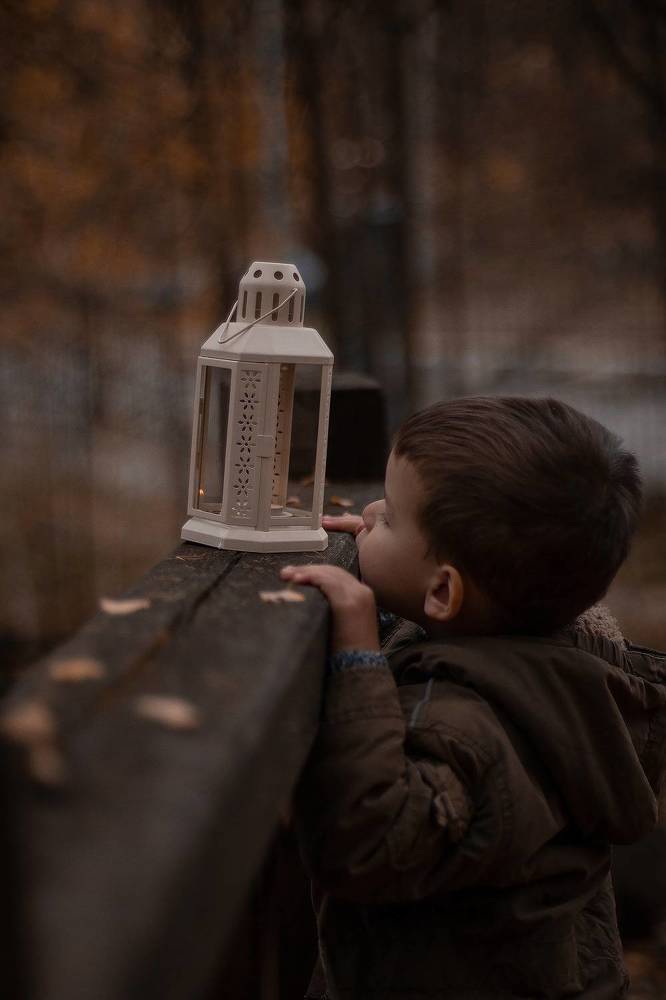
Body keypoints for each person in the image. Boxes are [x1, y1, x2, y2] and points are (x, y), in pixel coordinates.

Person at [279, 396, 666, 1000]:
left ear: (444, 590)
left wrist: (356, 650)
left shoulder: (475, 732)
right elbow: (437, 640)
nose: (370, 511)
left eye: (391, 519)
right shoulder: (559, 668)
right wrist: (388, 577)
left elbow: (369, 842)